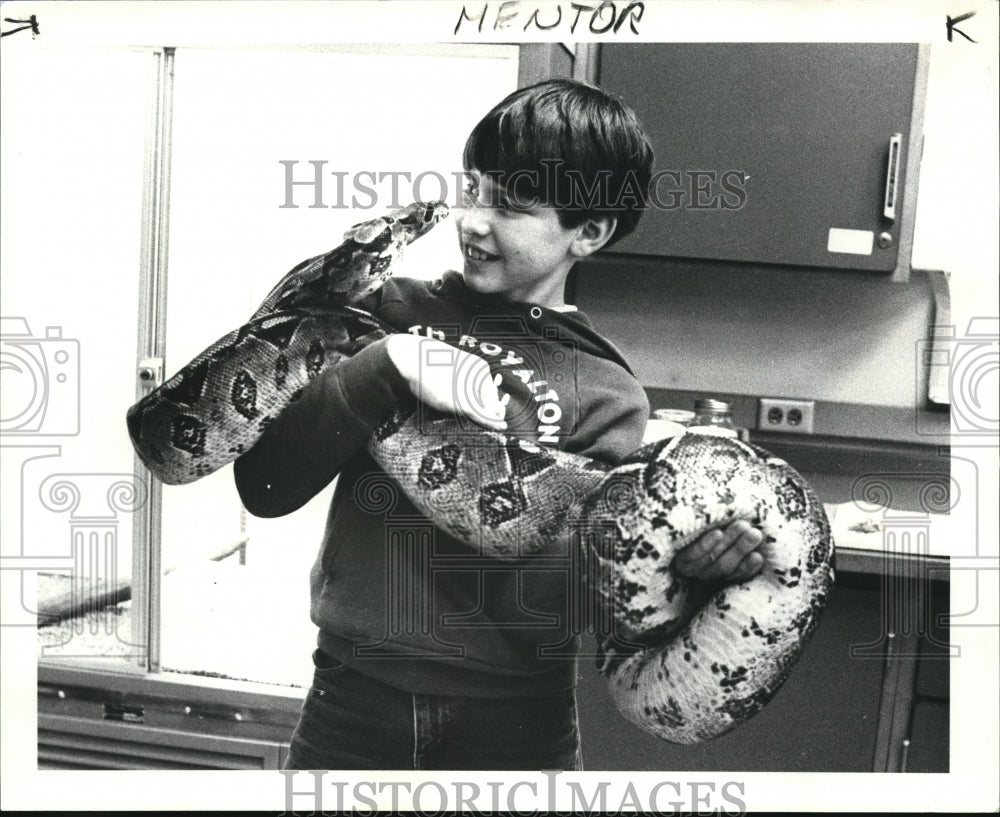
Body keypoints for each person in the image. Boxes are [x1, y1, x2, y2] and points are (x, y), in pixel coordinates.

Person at [234, 78, 764, 771]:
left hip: (516, 729)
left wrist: (672, 558)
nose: (474, 221)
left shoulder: (606, 392)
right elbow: (265, 485)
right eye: (475, 189)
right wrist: (384, 365)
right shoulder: (382, 314)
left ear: (590, 232)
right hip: (351, 704)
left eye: (511, 206)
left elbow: (543, 608)